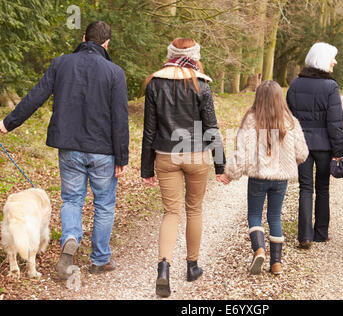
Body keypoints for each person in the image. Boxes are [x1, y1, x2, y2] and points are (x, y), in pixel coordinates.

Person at [0, 21, 129, 278]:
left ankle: (70, 237)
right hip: (103, 150)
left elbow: (36, 96)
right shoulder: (115, 72)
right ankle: (100, 259)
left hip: (69, 148)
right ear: (107, 43)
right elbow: (120, 117)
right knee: (104, 204)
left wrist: (7, 124)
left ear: (83, 38)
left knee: (72, 200)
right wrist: (122, 156)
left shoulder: (61, 64)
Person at [141, 38, 228, 297]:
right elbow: (211, 128)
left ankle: (164, 268)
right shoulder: (201, 85)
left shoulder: (155, 83)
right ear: (195, 55)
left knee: (171, 212)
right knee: (194, 210)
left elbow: (149, 130)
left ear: (170, 54)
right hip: (195, 154)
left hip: (166, 155)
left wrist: (146, 169)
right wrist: (220, 165)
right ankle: (192, 266)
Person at [224, 80, 309, 275]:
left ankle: (259, 249)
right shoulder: (290, 121)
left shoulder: (251, 120)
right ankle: (277, 263)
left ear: (258, 98)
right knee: (274, 216)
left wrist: (231, 173)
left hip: (258, 178)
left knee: (254, 214)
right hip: (280, 179)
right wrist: (288, 162)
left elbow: (242, 153)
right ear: (280, 98)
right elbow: (302, 152)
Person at [286, 42, 343, 249]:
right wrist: (338, 151)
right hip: (324, 146)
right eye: (332, 58)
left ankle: (305, 236)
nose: (335, 62)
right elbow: (335, 123)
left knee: (305, 188)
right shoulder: (331, 87)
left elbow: (288, 119)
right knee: (323, 188)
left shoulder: (295, 85)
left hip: (301, 145)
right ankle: (321, 233)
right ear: (322, 59)